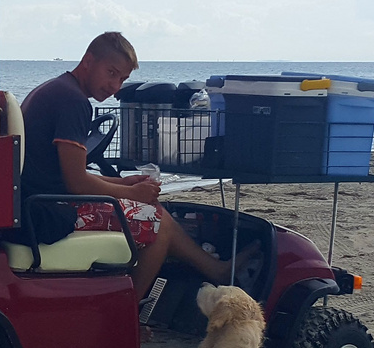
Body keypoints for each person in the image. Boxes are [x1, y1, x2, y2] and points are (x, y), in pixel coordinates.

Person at [19, 31, 246, 302]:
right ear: (88, 61)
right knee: (158, 222)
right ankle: (130, 315)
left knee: (154, 213)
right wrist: (132, 194)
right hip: (50, 212)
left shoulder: (54, 89)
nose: (114, 86)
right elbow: (76, 184)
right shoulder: (73, 102)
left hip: (34, 203)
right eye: (111, 73)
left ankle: (214, 271)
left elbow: (63, 174)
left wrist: (124, 183)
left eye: (122, 79)